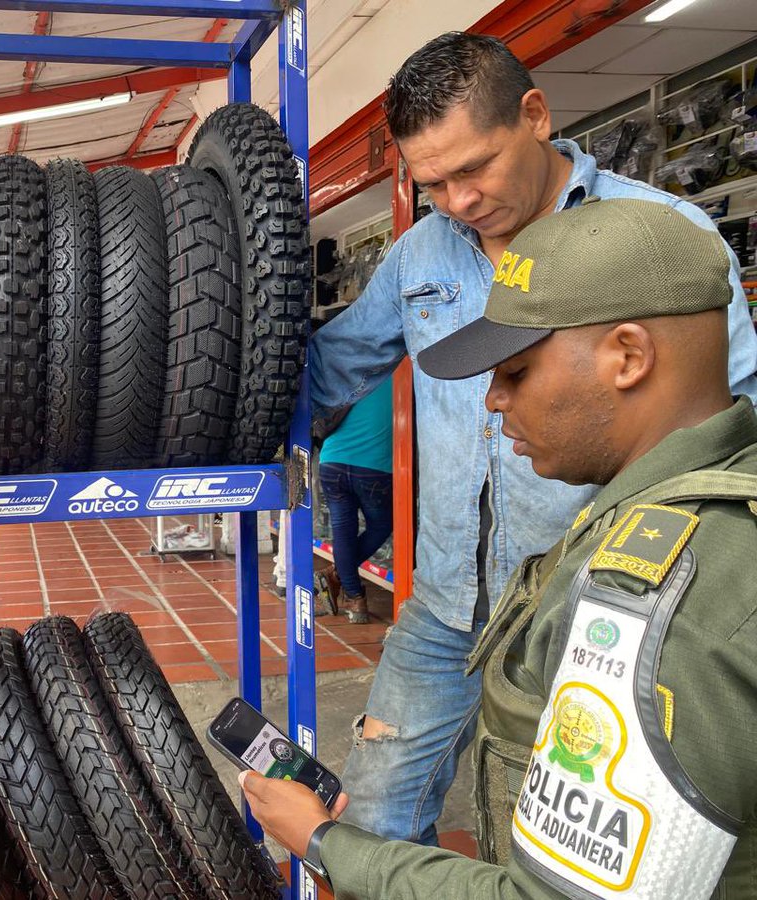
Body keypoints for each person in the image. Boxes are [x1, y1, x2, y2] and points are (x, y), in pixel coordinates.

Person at [309, 30, 757, 846]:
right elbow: (327, 372)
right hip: (447, 605)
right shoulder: (419, 256)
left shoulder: (661, 236)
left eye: (474, 168)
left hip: (599, 615)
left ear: (535, 115)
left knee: (564, 840)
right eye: (433, 181)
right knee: (367, 825)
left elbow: (739, 418)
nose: (459, 201)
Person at [242, 197, 757, 898]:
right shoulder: (709, 500)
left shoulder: (658, 605)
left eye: (515, 373)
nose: (492, 401)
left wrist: (327, 844)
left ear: (629, 356)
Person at [317, 377, 394, 623]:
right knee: (382, 525)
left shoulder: (348, 370)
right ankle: (341, 578)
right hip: (373, 466)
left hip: (331, 461)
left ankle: (355, 597)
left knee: (343, 531)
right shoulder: (400, 371)